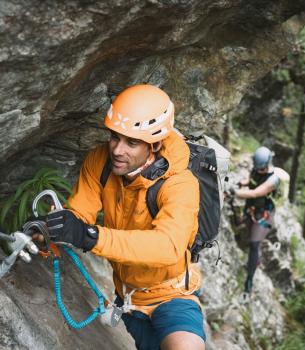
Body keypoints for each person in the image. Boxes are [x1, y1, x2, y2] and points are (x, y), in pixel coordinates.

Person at [44, 84, 205, 350]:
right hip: (128, 300)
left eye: (132, 142)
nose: (118, 150)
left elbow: (168, 247)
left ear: (155, 145)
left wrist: (91, 236)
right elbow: (79, 212)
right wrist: (51, 227)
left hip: (173, 296)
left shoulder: (180, 185)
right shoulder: (100, 161)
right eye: (115, 137)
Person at [234, 146, 280, 294]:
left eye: (261, 169)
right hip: (252, 209)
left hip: (264, 215)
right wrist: (242, 183)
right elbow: (252, 180)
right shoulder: (257, 168)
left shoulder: (274, 179)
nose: (259, 171)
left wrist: (235, 192)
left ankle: (249, 282)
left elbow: (255, 193)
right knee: (242, 229)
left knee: (254, 245)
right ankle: (255, 261)